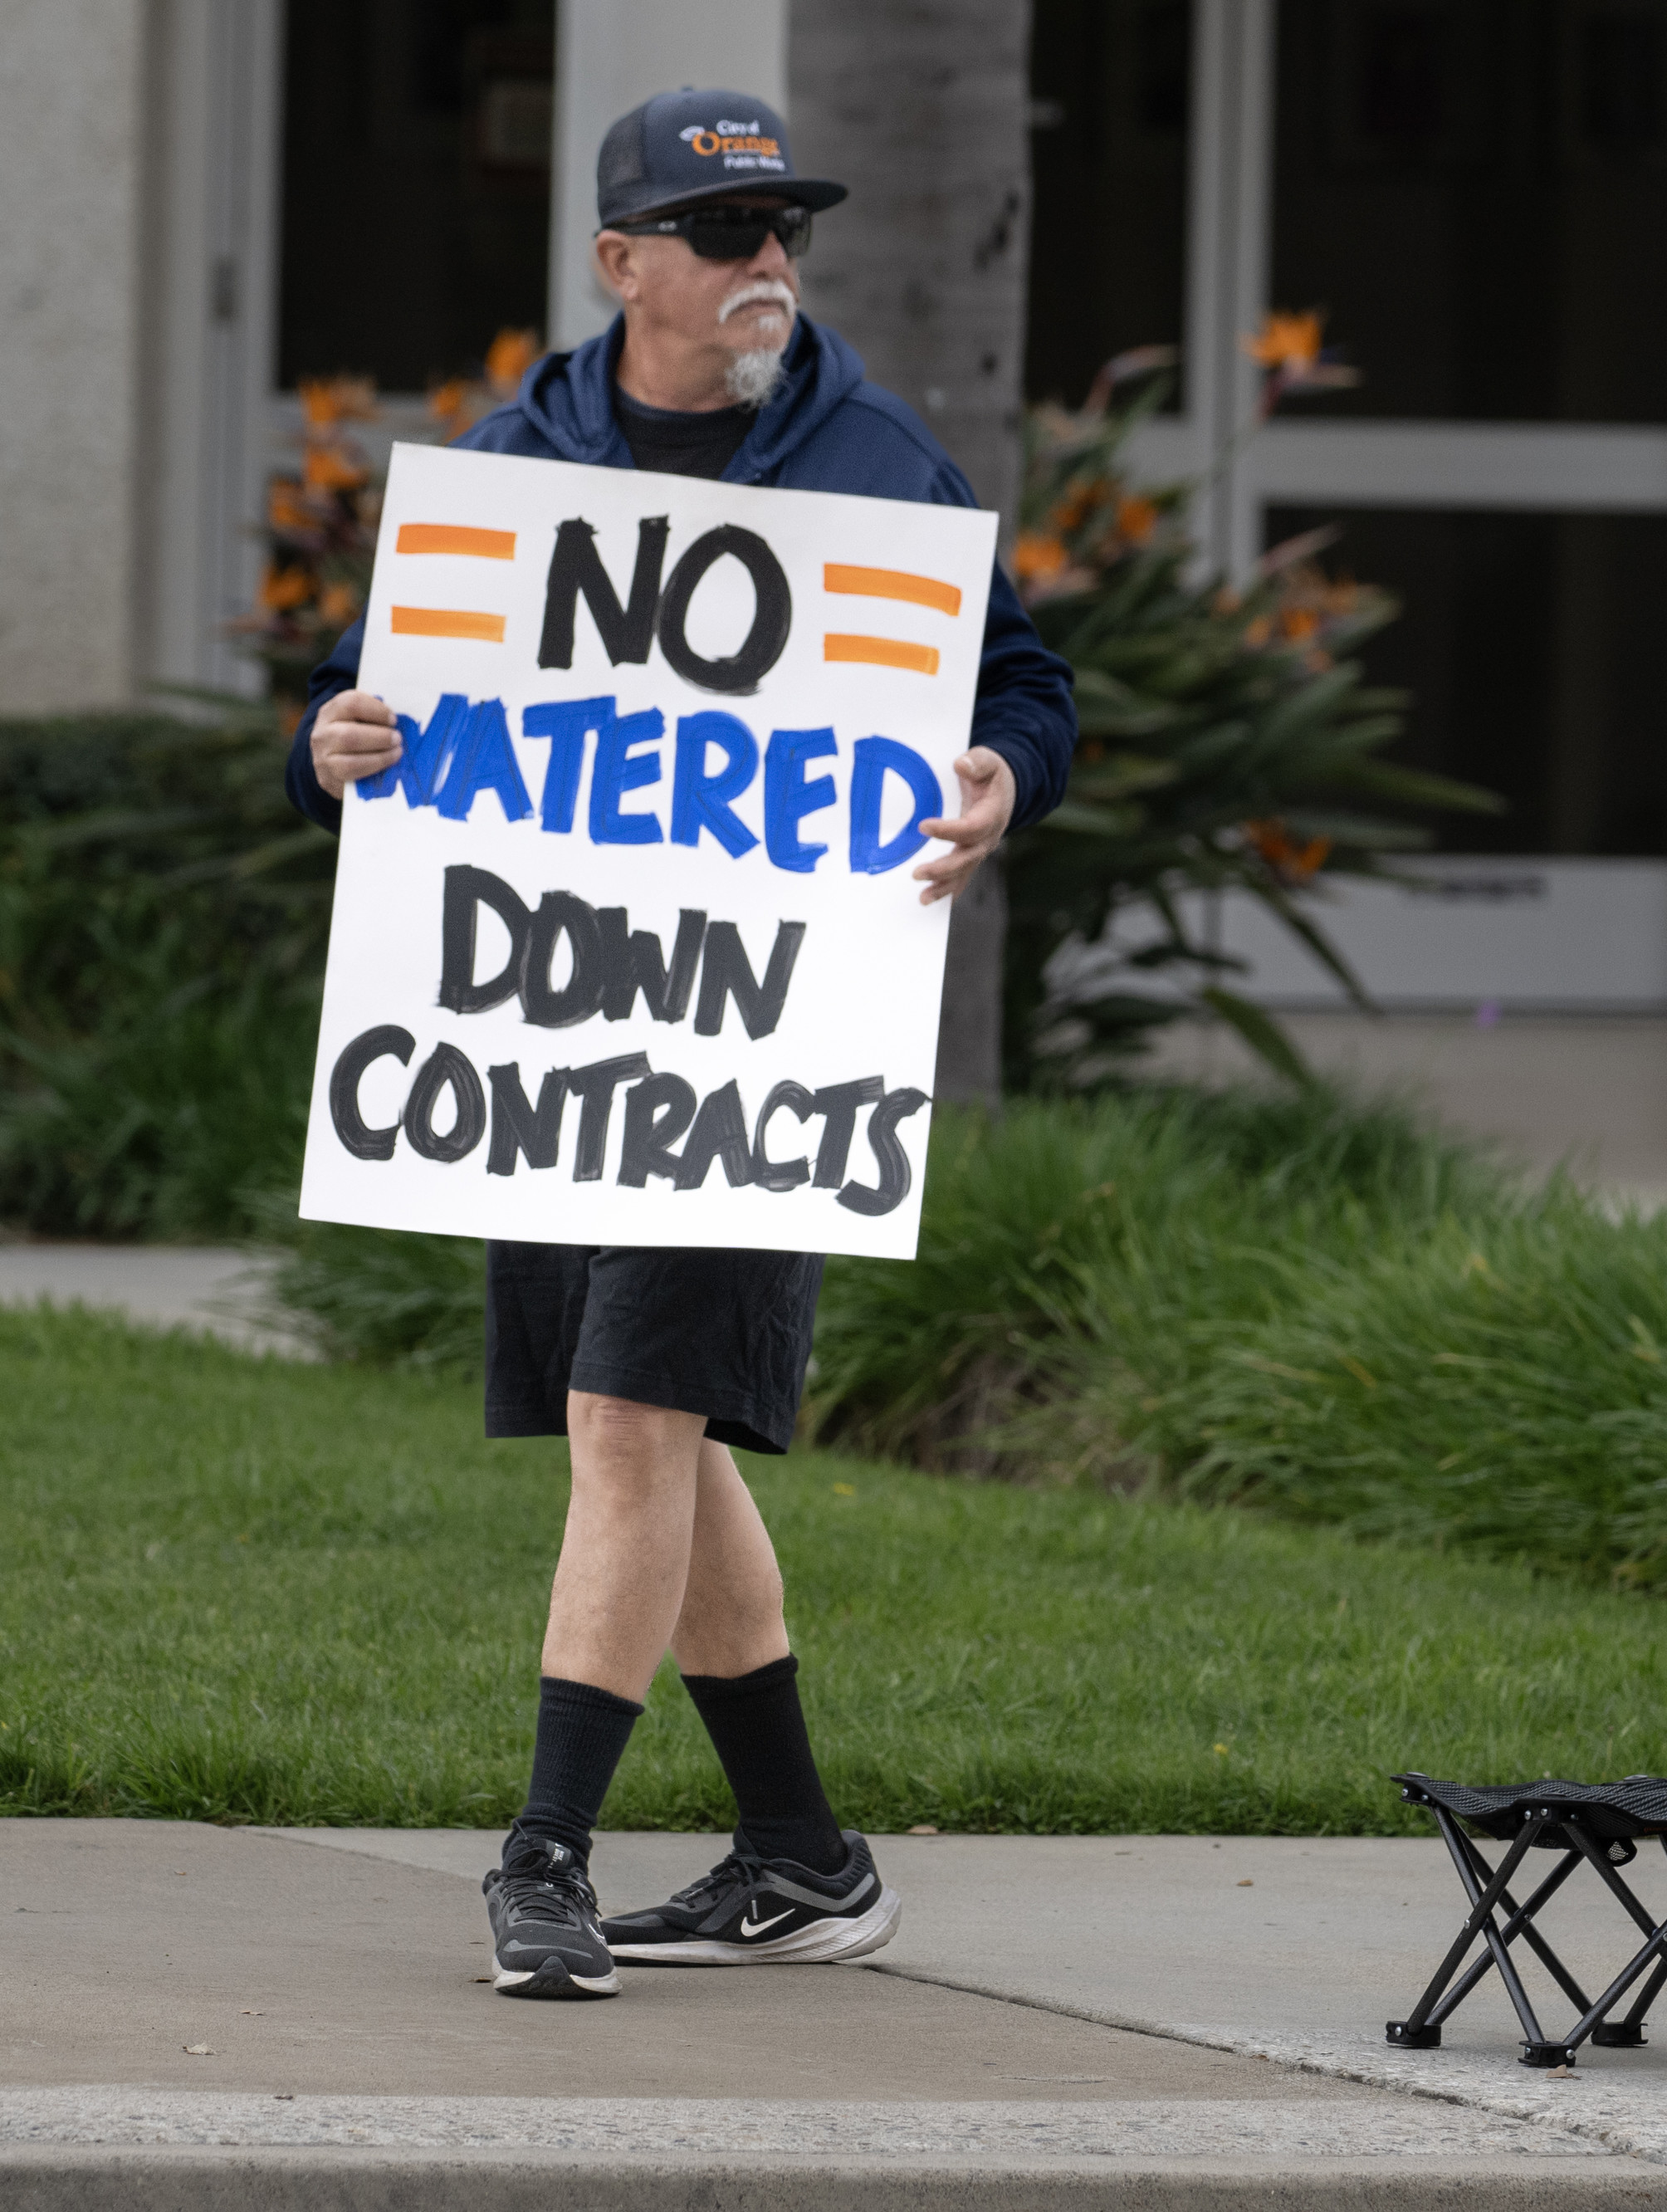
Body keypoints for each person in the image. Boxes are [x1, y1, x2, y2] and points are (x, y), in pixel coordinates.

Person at [283, 89, 1078, 2001]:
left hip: (755, 1043)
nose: (768, 270)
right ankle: (801, 1855)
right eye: (726, 239)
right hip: (560, 1034)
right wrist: (325, 746)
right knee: (651, 1434)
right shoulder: (516, 462)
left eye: (785, 232)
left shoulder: (873, 464)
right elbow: (373, 701)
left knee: (633, 1422)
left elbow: (1024, 682)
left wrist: (1002, 780)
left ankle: (544, 1858)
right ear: (622, 262)